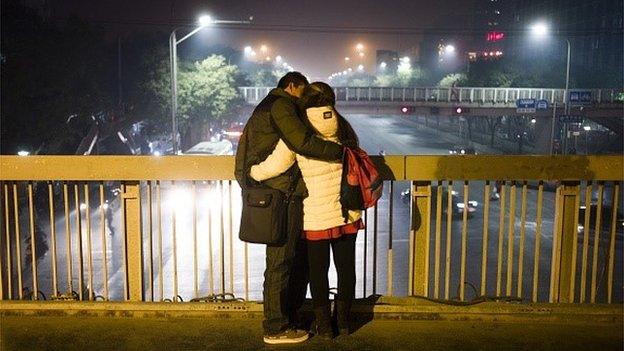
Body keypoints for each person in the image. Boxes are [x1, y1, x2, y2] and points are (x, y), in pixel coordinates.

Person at [234, 72, 343, 345]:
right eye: (302, 91)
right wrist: (338, 152)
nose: (304, 98)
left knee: (292, 260)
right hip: (280, 192)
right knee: (281, 262)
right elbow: (300, 141)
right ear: (292, 86)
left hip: (278, 191)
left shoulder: (270, 105)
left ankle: (288, 318)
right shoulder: (281, 106)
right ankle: (276, 327)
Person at [250, 82, 362, 339]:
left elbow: (273, 166)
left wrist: (252, 172)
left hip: (316, 217)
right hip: (348, 213)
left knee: (317, 273)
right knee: (347, 270)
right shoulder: (343, 127)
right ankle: (343, 323)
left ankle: (324, 327)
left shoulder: (299, 133)